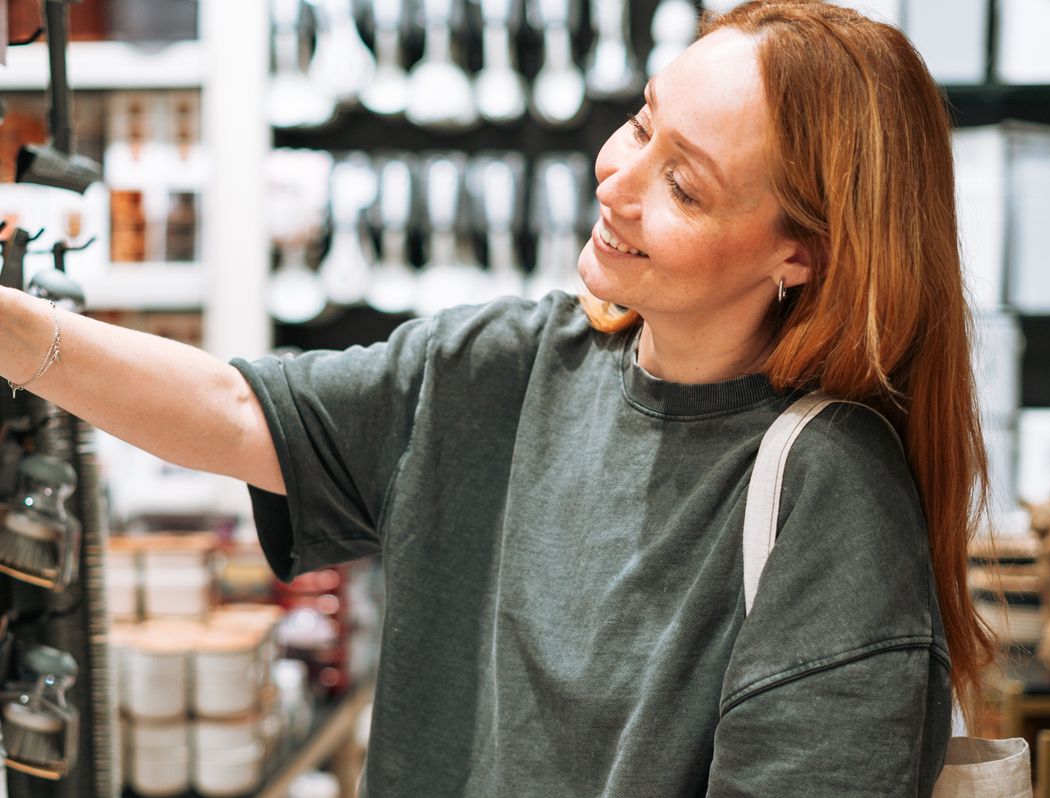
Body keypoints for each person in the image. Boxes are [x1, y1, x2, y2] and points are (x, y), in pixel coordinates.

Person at [0, 1, 994, 794]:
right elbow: (235, 412)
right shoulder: (510, 369)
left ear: (800, 255)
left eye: (683, 184)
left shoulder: (831, 502)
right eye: (643, 123)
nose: (617, 181)